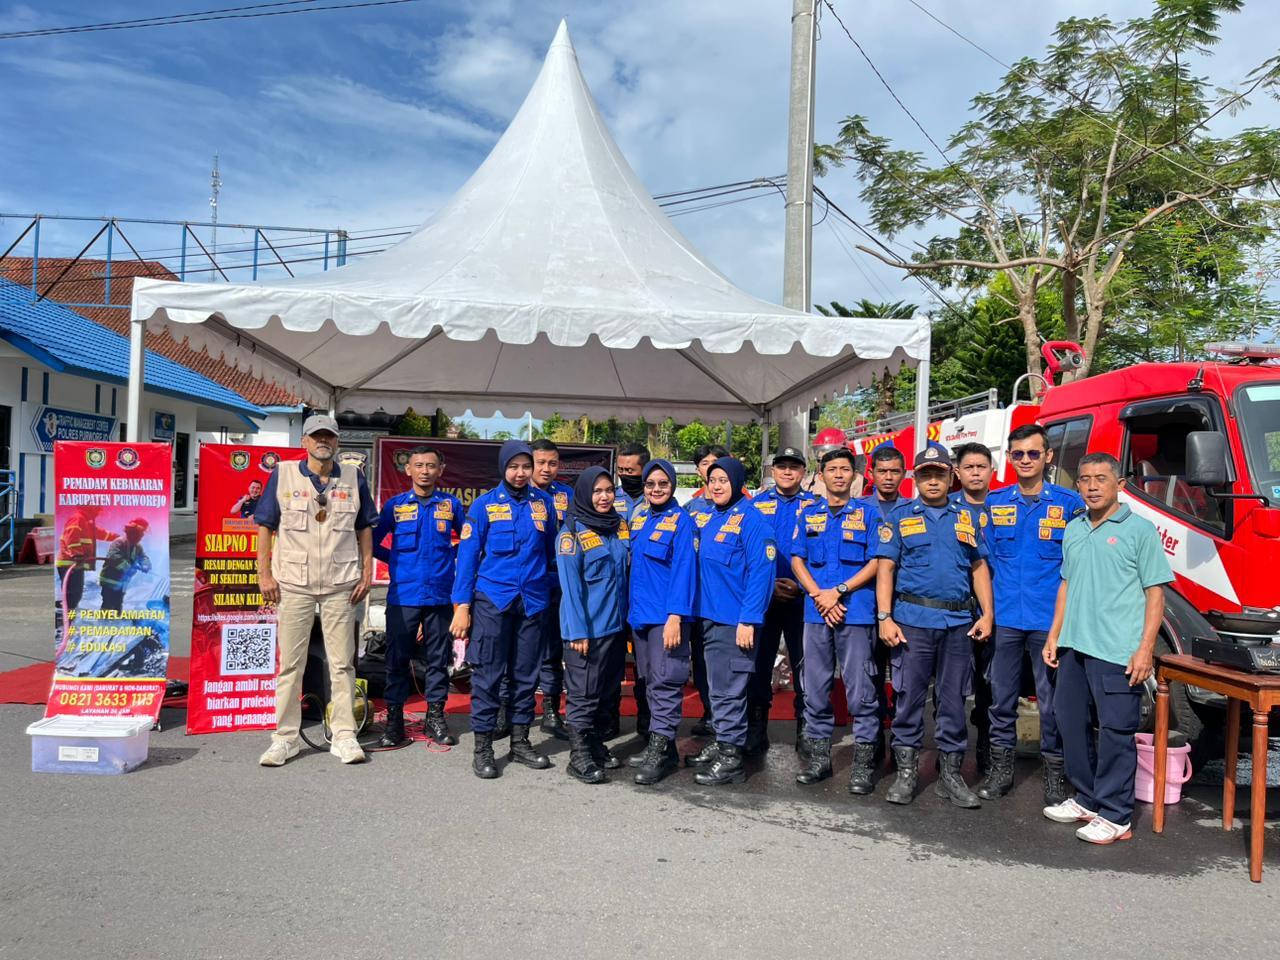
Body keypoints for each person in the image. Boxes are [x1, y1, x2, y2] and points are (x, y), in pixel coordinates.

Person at [1043, 452, 1172, 844]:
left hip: (1116, 650)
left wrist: (1145, 648)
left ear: (1119, 483)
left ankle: (1116, 815)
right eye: (1085, 479)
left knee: (1116, 731)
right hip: (1073, 646)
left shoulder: (1140, 530)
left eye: (1101, 478)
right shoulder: (1075, 528)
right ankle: (1086, 798)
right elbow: (1066, 584)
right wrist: (1054, 634)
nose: (1093, 486)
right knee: (1071, 725)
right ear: (1077, 485)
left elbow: (1155, 594)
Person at [875, 445, 994, 807]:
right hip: (913, 622)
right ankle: (907, 774)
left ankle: (951, 776)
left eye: (939, 474)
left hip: (958, 623)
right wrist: (884, 617)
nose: (932, 480)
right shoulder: (899, 516)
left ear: (950, 476)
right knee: (909, 699)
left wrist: (987, 614)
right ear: (916, 478)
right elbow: (886, 570)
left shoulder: (967, 517)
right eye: (925, 474)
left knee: (954, 700)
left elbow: (978, 569)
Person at [256, 415, 377, 767]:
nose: (323, 441)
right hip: (293, 583)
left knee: (342, 665)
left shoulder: (354, 477)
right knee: (290, 666)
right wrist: (264, 574)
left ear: (337, 442)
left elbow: (365, 527)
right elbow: (265, 526)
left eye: (329, 436)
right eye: (316, 436)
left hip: (342, 584)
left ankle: (343, 735)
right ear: (305, 442)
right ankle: (285, 738)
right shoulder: (283, 475)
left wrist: (366, 571)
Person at [976, 425, 1086, 803]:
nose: (1025, 460)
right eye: (1018, 454)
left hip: (1048, 622)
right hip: (1006, 617)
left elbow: (1077, 568)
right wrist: (987, 614)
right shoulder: (995, 503)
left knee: (1051, 703)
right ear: (1009, 458)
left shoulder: (1070, 505)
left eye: (1033, 453)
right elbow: (983, 566)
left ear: (1048, 457)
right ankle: (1001, 770)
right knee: (1000, 698)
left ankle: (1055, 775)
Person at [451, 440, 557, 779]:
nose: (521, 472)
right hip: (492, 601)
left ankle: (521, 741)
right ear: (503, 468)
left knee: (526, 676)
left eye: (526, 466)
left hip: (533, 601)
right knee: (488, 676)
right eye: (514, 466)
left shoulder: (544, 504)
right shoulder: (483, 506)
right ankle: (483, 747)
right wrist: (461, 606)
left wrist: (550, 586)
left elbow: (552, 552)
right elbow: (467, 558)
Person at [789, 448, 881, 791]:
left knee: (861, 692)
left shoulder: (869, 515)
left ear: (855, 475)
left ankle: (862, 764)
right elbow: (797, 560)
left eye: (845, 469)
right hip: (816, 613)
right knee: (815, 689)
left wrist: (838, 591)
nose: (839, 475)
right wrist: (819, 595)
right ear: (821, 475)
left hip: (855, 613)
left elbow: (876, 562)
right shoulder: (808, 514)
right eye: (832, 469)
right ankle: (818, 759)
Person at [687, 457, 775, 786]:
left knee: (729, 692)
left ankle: (731, 759)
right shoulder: (710, 517)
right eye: (713, 480)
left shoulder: (753, 521)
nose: (718, 485)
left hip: (734, 623)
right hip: (707, 621)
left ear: (738, 481)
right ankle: (724, 740)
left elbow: (761, 574)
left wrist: (749, 619)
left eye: (724, 479)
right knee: (715, 689)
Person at [370, 445, 464, 748]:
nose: (425, 471)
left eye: (431, 465)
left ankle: (435, 717)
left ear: (441, 469)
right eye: (419, 465)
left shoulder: (451, 505)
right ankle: (395, 721)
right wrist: (394, 558)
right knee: (397, 660)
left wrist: (452, 555)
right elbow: (370, 541)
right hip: (403, 594)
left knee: (438, 660)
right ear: (408, 470)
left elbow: (468, 540)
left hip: (439, 594)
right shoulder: (395, 506)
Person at [556, 467, 632, 783]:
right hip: (587, 629)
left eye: (609, 491)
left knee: (605, 692)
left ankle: (596, 744)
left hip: (614, 626)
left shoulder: (618, 526)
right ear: (585, 494)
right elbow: (570, 588)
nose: (604, 497)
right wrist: (576, 631)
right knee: (583, 693)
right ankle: (579, 756)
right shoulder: (570, 534)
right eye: (597, 491)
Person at [627, 459, 698, 785]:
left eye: (663, 484)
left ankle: (662, 751)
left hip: (666, 618)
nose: (656, 489)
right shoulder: (640, 519)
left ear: (672, 486)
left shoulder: (681, 521)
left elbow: (685, 570)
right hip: (642, 615)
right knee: (649, 682)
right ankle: (664, 746)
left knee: (666, 683)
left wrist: (675, 617)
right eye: (650, 484)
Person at [750, 447, 817, 754]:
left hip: (802, 599)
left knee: (805, 665)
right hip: (766, 598)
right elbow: (749, 553)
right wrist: (769, 585)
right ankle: (756, 729)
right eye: (782, 467)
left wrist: (803, 587)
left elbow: (820, 555)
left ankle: (806, 730)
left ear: (803, 472)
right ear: (772, 470)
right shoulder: (756, 505)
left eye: (794, 467)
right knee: (760, 664)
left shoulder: (815, 506)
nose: (788, 472)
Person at [950, 441, 996, 773]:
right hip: (954, 610)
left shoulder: (1005, 506)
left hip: (995, 610)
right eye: (969, 467)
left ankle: (986, 749)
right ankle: (948, 755)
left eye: (981, 466)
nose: (975, 472)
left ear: (992, 470)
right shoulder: (945, 507)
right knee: (949, 686)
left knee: (990, 685)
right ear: (958, 472)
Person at [602, 441, 651, 742]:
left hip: (646, 594)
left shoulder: (656, 498)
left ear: (644, 469)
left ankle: (647, 723)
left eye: (631, 471)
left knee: (646, 664)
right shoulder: (609, 498)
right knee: (610, 662)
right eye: (620, 470)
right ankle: (609, 720)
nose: (624, 475)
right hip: (614, 593)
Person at [685, 442, 730, 736]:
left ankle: (729, 722)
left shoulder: (741, 505)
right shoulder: (690, 508)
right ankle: (708, 712)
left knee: (727, 666)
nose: (710, 470)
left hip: (726, 601)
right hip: (698, 600)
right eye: (705, 465)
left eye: (717, 464)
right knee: (701, 662)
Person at [531, 438, 574, 740]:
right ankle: (509, 712)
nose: (546, 469)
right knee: (518, 651)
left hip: (559, 583)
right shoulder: (516, 495)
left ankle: (550, 711)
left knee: (552, 651)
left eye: (552, 463)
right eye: (540, 462)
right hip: (525, 584)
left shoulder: (567, 495)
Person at [57, 504, 117, 612]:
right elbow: (71, 537)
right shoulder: (78, 518)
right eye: (98, 510)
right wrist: (77, 555)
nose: (99, 513)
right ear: (91, 508)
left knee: (75, 593)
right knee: (72, 593)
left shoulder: (85, 521)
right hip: (70, 562)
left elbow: (99, 533)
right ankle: (65, 617)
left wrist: (118, 538)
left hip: (75, 563)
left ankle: (68, 614)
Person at [98, 518, 151, 613]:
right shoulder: (119, 542)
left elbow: (143, 557)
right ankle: (104, 622)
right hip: (110, 580)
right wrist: (128, 568)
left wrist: (145, 565)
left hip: (122, 583)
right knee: (108, 603)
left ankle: (115, 621)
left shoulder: (137, 546)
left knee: (118, 603)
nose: (140, 538)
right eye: (139, 535)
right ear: (132, 534)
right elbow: (113, 557)